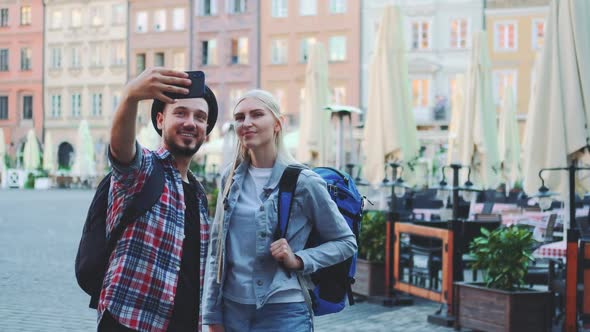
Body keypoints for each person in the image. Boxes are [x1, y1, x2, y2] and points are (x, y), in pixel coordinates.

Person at [202, 90, 357, 332]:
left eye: (256, 114)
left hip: (283, 311)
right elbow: (216, 250)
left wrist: (299, 259)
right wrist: (211, 314)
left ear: (278, 124)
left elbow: (346, 242)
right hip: (233, 310)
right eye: (240, 117)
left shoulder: (304, 181)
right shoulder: (229, 179)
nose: (247, 123)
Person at [99, 67, 218, 332]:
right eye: (180, 113)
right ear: (161, 120)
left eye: (200, 117)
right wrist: (130, 97)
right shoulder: (145, 169)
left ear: (206, 130)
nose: (191, 122)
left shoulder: (199, 194)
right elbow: (120, 149)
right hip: (131, 321)